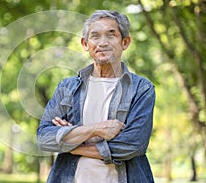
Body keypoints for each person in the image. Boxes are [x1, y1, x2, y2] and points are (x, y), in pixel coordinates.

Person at [36, 10, 155, 183]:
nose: (103, 43)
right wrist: (97, 129)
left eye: (111, 35)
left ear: (125, 42)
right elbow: (44, 138)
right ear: (85, 43)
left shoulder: (141, 89)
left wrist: (69, 142)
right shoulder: (67, 87)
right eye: (95, 36)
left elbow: (132, 145)